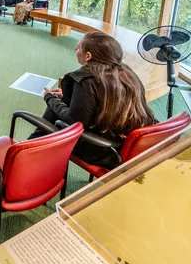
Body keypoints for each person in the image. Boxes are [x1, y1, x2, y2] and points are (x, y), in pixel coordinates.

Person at [31, 32, 156, 169]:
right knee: (60, 102)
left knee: (54, 108)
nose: (76, 50)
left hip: (102, 150)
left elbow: (74, 121)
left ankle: (28, 148)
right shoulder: (128, 75)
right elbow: (104, 101)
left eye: (78, 48)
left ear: (88, 56)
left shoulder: (86, 80)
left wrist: (50, 99)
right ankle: (30, 146)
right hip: (124, 143)